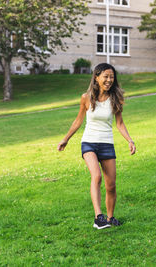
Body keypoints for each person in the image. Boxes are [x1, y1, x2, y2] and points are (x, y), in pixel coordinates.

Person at [57, 63, 136, 229]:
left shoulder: (116, 98)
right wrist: (66, 138)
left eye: (112, 77)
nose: (109, 80)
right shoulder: (86, 97)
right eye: (106, 77)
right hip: (89, 142)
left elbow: (120, 123)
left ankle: (110, 217)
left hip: (107, 144)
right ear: (96, 77)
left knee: (111, 185)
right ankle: (98, 217)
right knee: (97, 176)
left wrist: (129, 140)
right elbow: (78, 120)